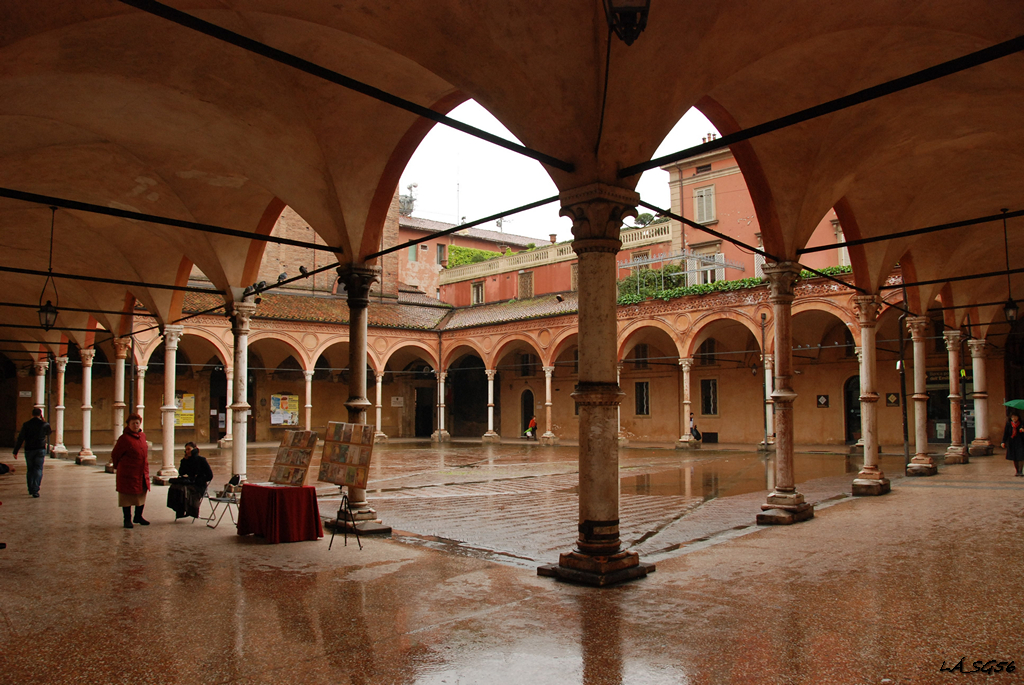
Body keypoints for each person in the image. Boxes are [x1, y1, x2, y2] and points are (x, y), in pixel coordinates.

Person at [111, 413, 150, 528]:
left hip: (141, 471)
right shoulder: (124, 439)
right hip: (128, 472)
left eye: (137, 422)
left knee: (142, 494)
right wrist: (119, 467)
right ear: (128, 425)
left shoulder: (143, 436)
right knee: (126, 497)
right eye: (133, 423)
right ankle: (127, 519)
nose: (135, 425)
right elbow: (116, 454)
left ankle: (138, 516)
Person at [167, 442, 213, 519]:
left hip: (199, 485)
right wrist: (185, 461)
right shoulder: (185, 461)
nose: (187, 451)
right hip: (189, 482)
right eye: (186, 450)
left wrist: (198, 480)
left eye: (189, 449)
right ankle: (180, 510)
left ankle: (190, 510)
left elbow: (209, 476)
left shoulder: (202, 460)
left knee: (183, 489)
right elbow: (181, 472)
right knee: (174, 487)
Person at [13, 407, 50, 498]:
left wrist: (16, 451)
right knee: (38, 469)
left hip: (29, 449)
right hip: (40, 449)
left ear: (32, 414)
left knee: (30, 469)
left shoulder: (26, 425)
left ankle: (30, 488)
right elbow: (49, 432)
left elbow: (21, 438)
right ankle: (35, 489)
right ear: (40, 414)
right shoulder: (44, 424)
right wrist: (44, 421)